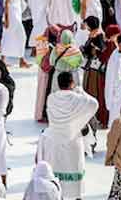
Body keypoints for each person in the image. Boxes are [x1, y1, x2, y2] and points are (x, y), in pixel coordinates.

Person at [36, 71, 99, 199]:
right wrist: (81, 92)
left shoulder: (51, 98)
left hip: (54, 141)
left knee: (56, 173)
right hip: (73, 141)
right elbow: (94, 104)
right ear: (72, 83)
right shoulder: (78, 99)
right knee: (73, 170)